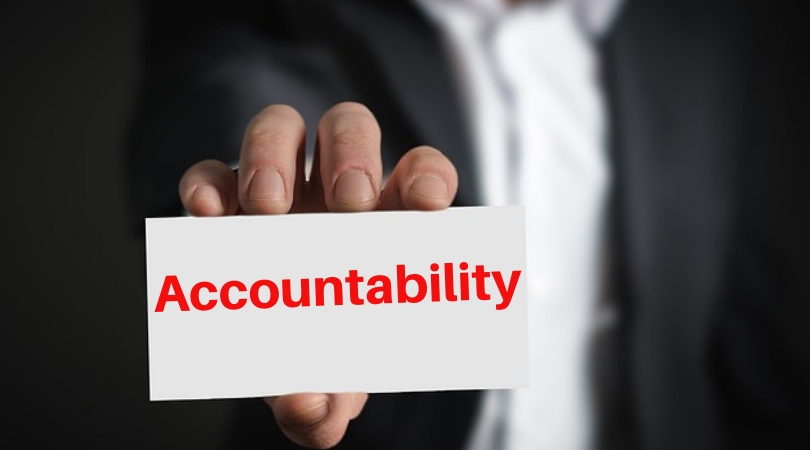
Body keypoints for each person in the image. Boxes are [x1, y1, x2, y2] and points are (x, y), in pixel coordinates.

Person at [127, 0, 809, 449]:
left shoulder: (706, 29)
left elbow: (741, 324)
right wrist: (260, 198)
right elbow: (225, 98)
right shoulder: (270, 18)